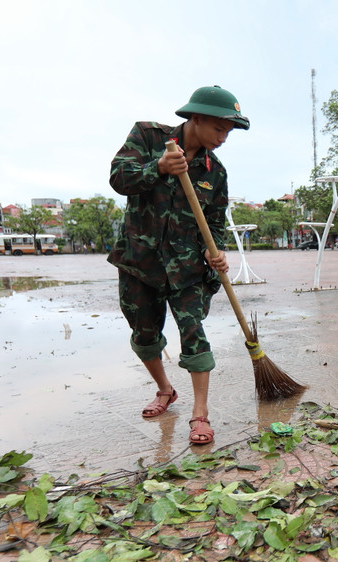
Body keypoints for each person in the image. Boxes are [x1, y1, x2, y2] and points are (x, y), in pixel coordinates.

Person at [108, 85, 249, 445]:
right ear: (196, 118)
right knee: (144, 333)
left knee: (193, 333)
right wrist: (157, 167)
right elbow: (118, 178)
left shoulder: (214, 171)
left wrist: (211, 251)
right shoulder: (148, 136)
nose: (223, 138)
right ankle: (165, 389)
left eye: (228, 132)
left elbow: (214, 222)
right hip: (140, 261)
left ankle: (199, 415)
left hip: (186, 270)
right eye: (219, 128)